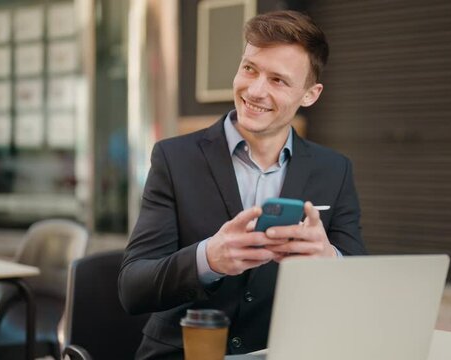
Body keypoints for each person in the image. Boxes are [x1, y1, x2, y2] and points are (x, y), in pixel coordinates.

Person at [118, 10, 367, 359]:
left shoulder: (335, 169)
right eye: (250, 69)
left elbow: (362, 288)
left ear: (310, 95)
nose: (255, 90)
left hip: (284, 351)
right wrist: (208, 259)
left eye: (278, 80)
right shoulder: (174, 159)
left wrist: (328, 258)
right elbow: (133, 287)